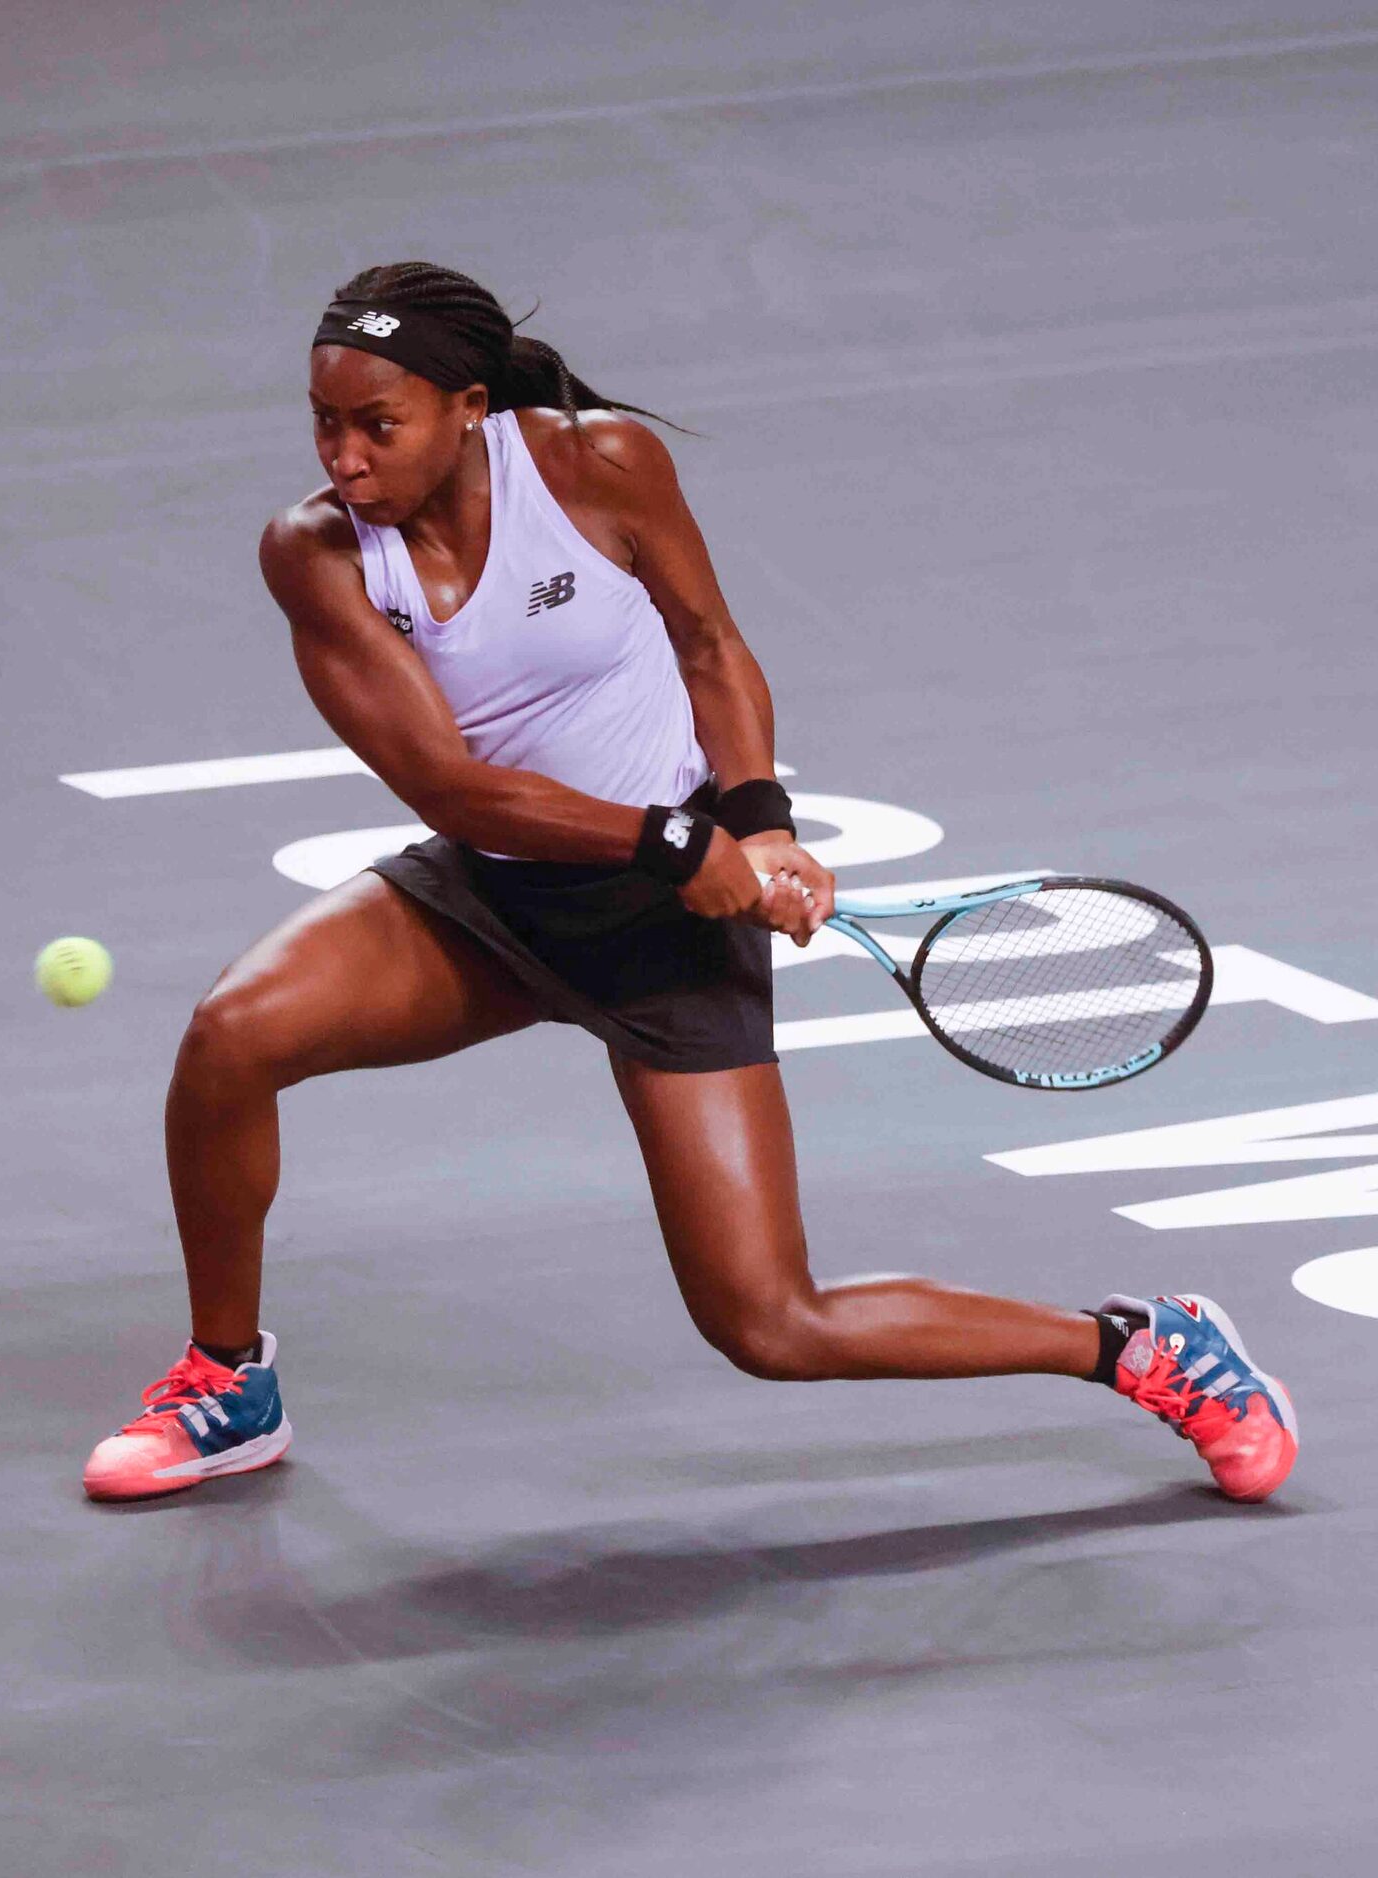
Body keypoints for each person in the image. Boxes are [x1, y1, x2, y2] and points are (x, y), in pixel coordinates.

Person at [80, 262, 1296, 1506]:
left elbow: (707, 642)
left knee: (772, 1324)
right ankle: (229, 1381)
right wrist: (677, 844)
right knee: (233, 1037)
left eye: (375, 424)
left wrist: (758, 819)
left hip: (671, 937)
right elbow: (451, 790)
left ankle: (1143, 1348)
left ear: (469, 406)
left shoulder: (594, 466)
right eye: (322, 422)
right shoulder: (318, 553)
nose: (342, 456)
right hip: (495, 901)